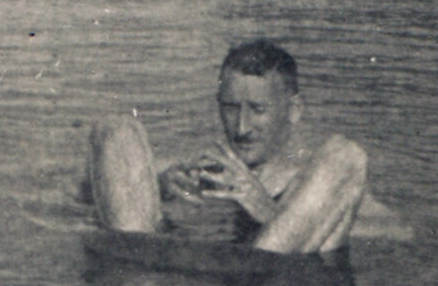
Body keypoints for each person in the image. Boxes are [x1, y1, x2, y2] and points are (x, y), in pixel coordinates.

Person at [87, 38, 392, 255]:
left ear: (294, 110)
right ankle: (133, 268)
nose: (242, 127)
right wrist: (160, 187)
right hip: (165, 274)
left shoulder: (316, 182)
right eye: (231, 108)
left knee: (346, 154)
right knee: (115, 130)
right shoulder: (196, 168)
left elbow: (395, 232)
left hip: (267, 281)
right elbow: (80, 195)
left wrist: (268, 209)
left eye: (258, 110)